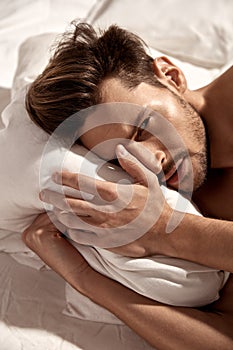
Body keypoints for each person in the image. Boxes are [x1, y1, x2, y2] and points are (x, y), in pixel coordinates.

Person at [22, 22, 233, 349]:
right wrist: (83, 278)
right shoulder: (184, 195)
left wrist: (162, 229)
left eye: (142, 128)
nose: (150, 160)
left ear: (171, 76)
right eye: (118, 158)